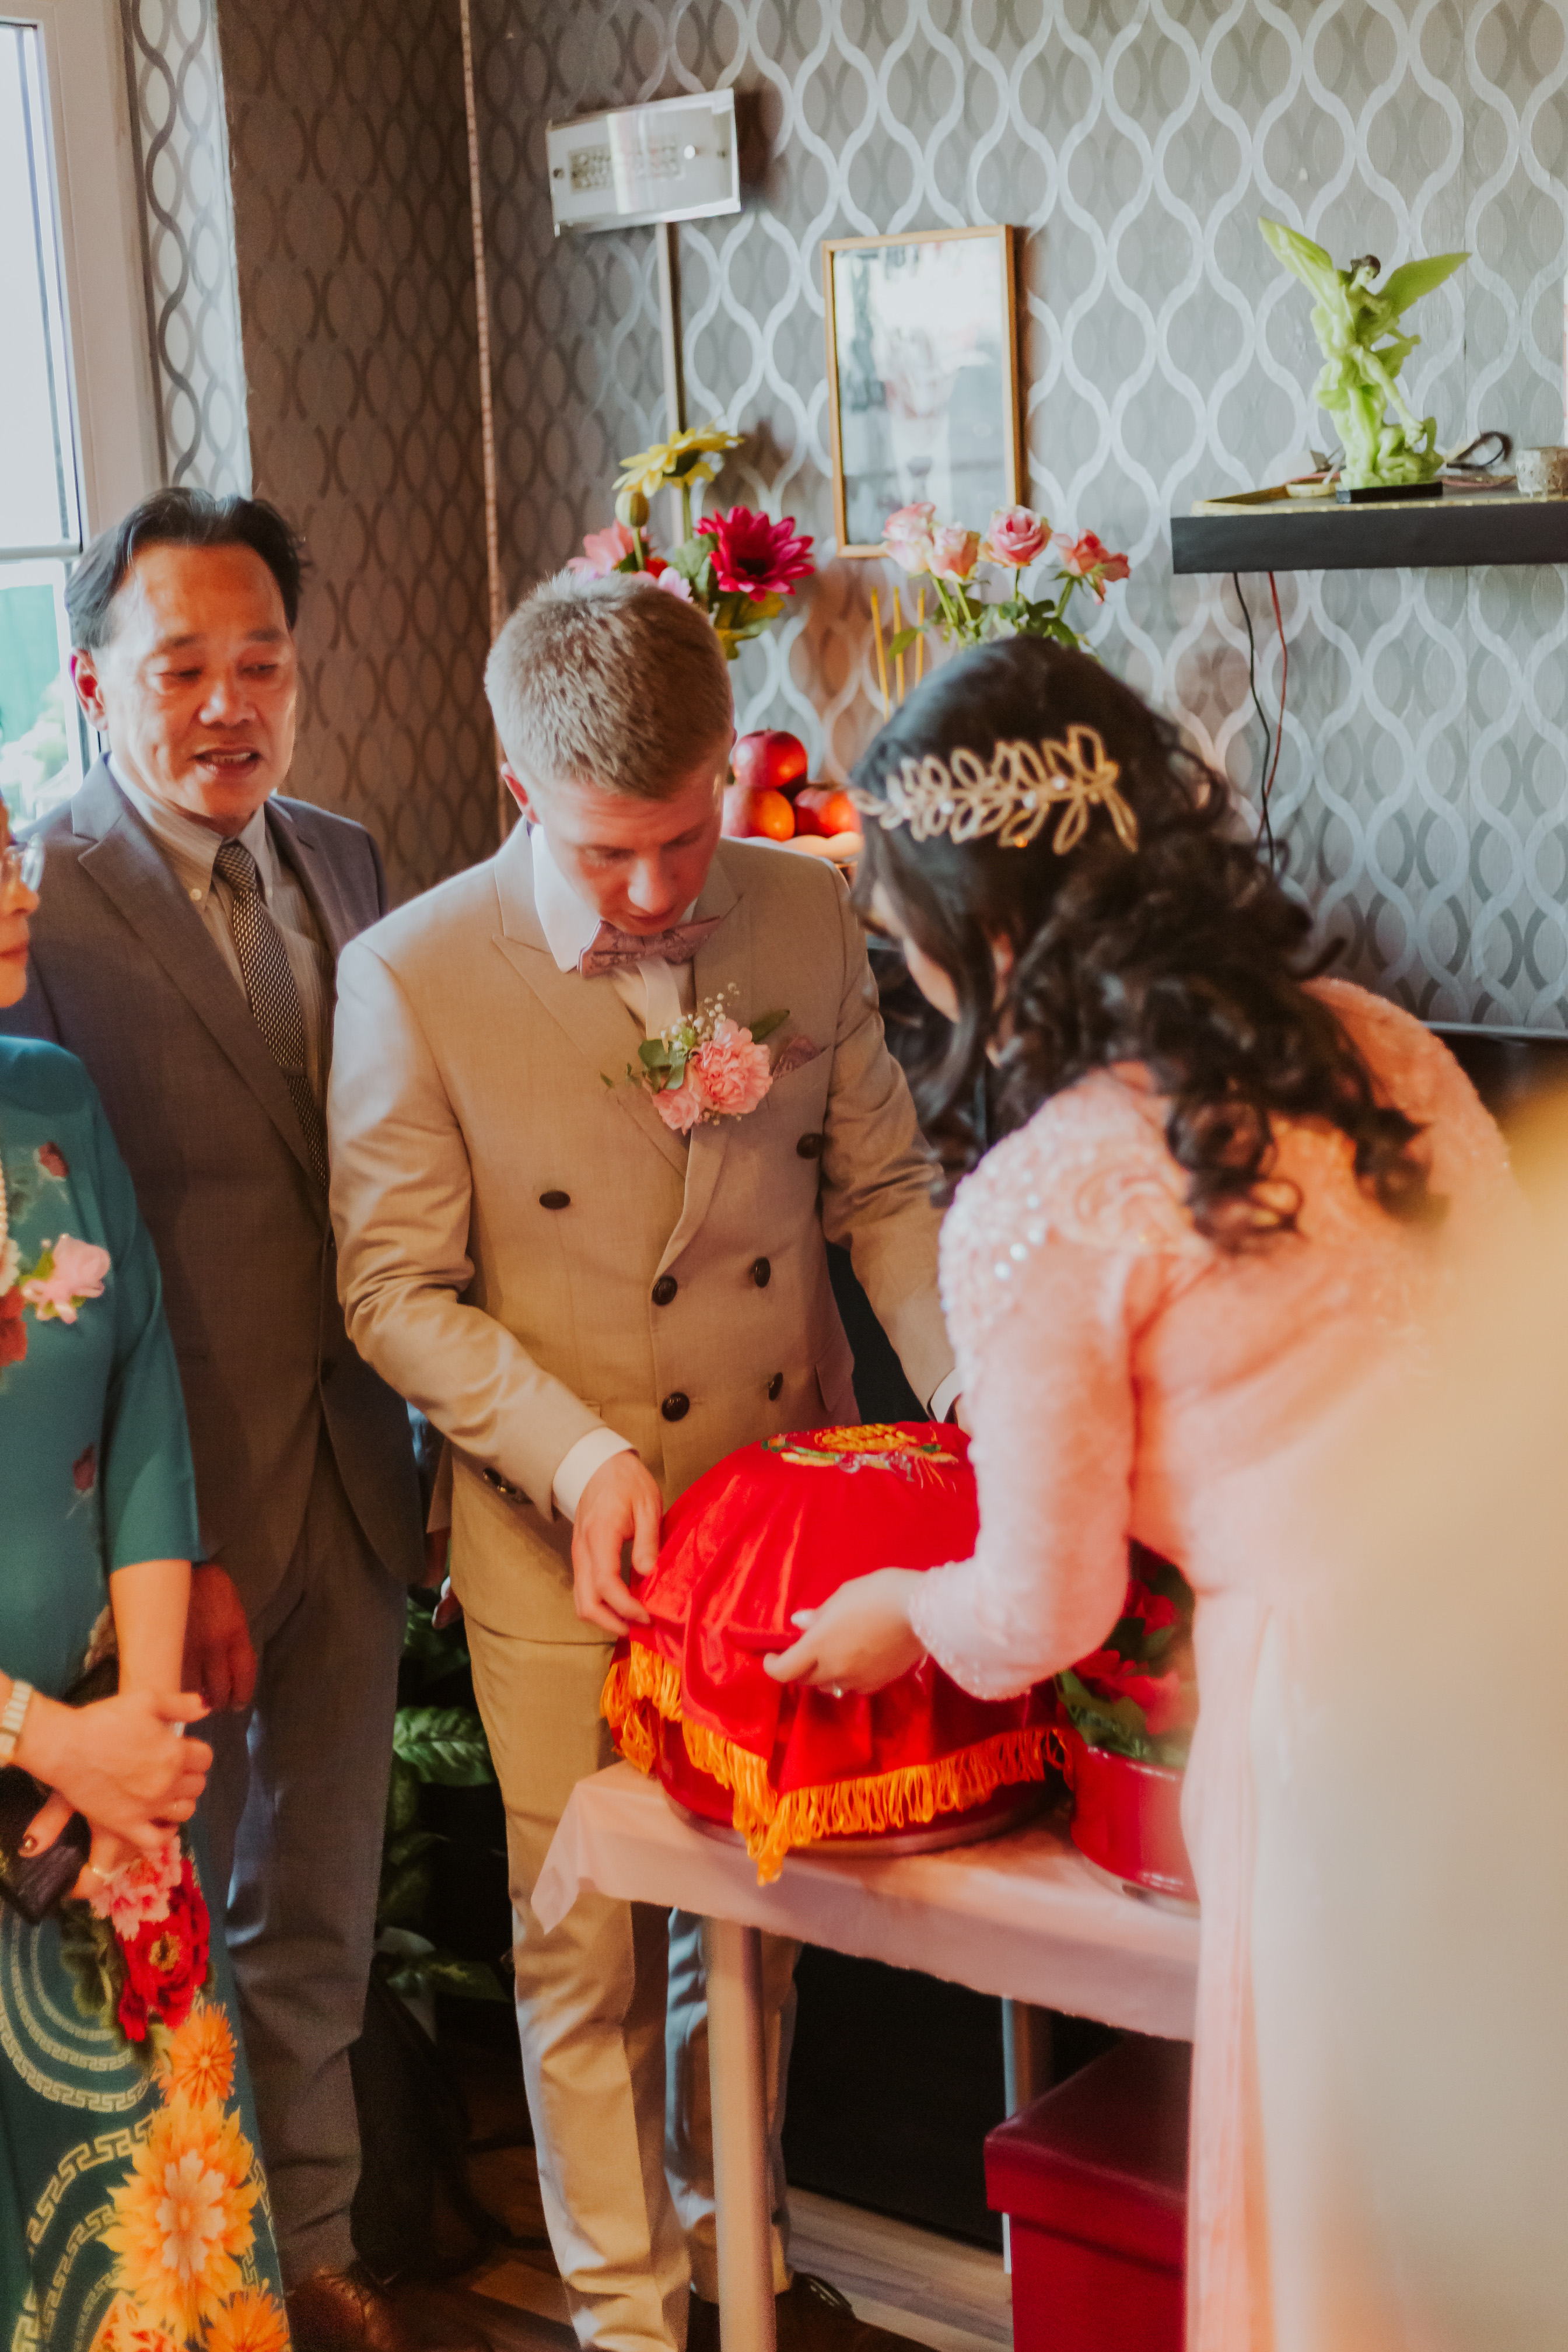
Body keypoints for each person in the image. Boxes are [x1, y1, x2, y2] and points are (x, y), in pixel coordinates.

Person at [765, 637, 1519, 2352]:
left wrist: (899, 1611)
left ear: (991, 934)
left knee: (1371, 2206)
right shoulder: (1383, 1044)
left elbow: (1043, 1605)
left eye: (905, 929)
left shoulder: (1046, 1197)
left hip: (1352, 1709)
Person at [327, 571, 958, 2352]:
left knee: (750, 1923)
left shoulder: (803, 908)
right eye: (614, 855)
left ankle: (737, 2263)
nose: (666, 890)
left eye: (690, 835)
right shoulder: (413, 974)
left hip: (776, 1510)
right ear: (518, 784)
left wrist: (970, 1387)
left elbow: (886, 1190)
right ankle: (626, 2319)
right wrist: (575, 1454)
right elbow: (393, 1289)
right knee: (586, 1944)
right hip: (560, 1535)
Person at [0, 492, 433, 2352]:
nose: (226, 704)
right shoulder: (47, 894)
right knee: (167, 1925)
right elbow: (95, 1265)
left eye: (261, 663)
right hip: (167, 1529)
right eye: (180, 666)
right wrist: (183, 1555)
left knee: (321, 1905)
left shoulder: (343, 859)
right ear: (94, 678)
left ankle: (313, 2263)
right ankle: (207, 2279)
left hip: (357, 1477)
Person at [0, 800, 289, 2338]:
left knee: (162, 2243)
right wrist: (50, 1744)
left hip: (113, 1782)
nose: (19, 884)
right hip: (48, 1759)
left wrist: (146, 1734)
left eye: (7, 844)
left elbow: (147, 1417)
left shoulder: (52, 1095)